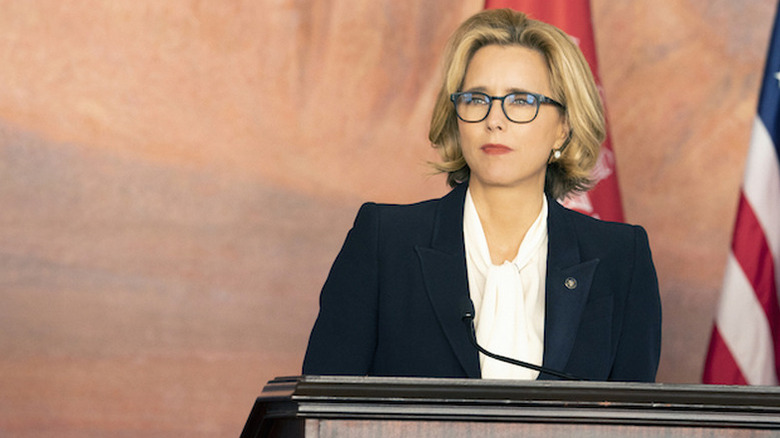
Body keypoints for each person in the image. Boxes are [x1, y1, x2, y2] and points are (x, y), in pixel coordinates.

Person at [302, 8, 661, 381]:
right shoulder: (384, 241)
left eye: (521, 100)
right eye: (477, 99)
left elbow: (632, 420)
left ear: (563, 128)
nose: (495, 120)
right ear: (457, 118)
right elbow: (322, 408)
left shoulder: (621, 259)